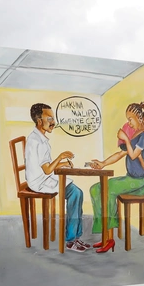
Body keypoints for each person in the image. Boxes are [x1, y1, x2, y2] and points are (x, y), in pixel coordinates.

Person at [90, 102, 144, 253]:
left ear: (138, 117)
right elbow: (121, 153)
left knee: (109, 189)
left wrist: (125, 138)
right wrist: (103, 163)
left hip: (139, 182)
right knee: (95, 189)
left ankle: (110, 239)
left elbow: (132, 155)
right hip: (130, 179)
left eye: (130, 119)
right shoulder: (135, 133)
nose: (128, 123)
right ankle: (105, 233)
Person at [25, 103, 88, 253]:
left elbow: (46, 164)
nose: (53, 122)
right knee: (75, 193)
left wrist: (63, 162)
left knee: (77, 192)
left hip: (45, 177)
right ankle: (70, 240)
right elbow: (47, 170)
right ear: (39, 121)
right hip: (39, 182)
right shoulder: (36, 141)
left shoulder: (40, 138)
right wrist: (60, 157)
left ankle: (75, 237)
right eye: (50, 118)